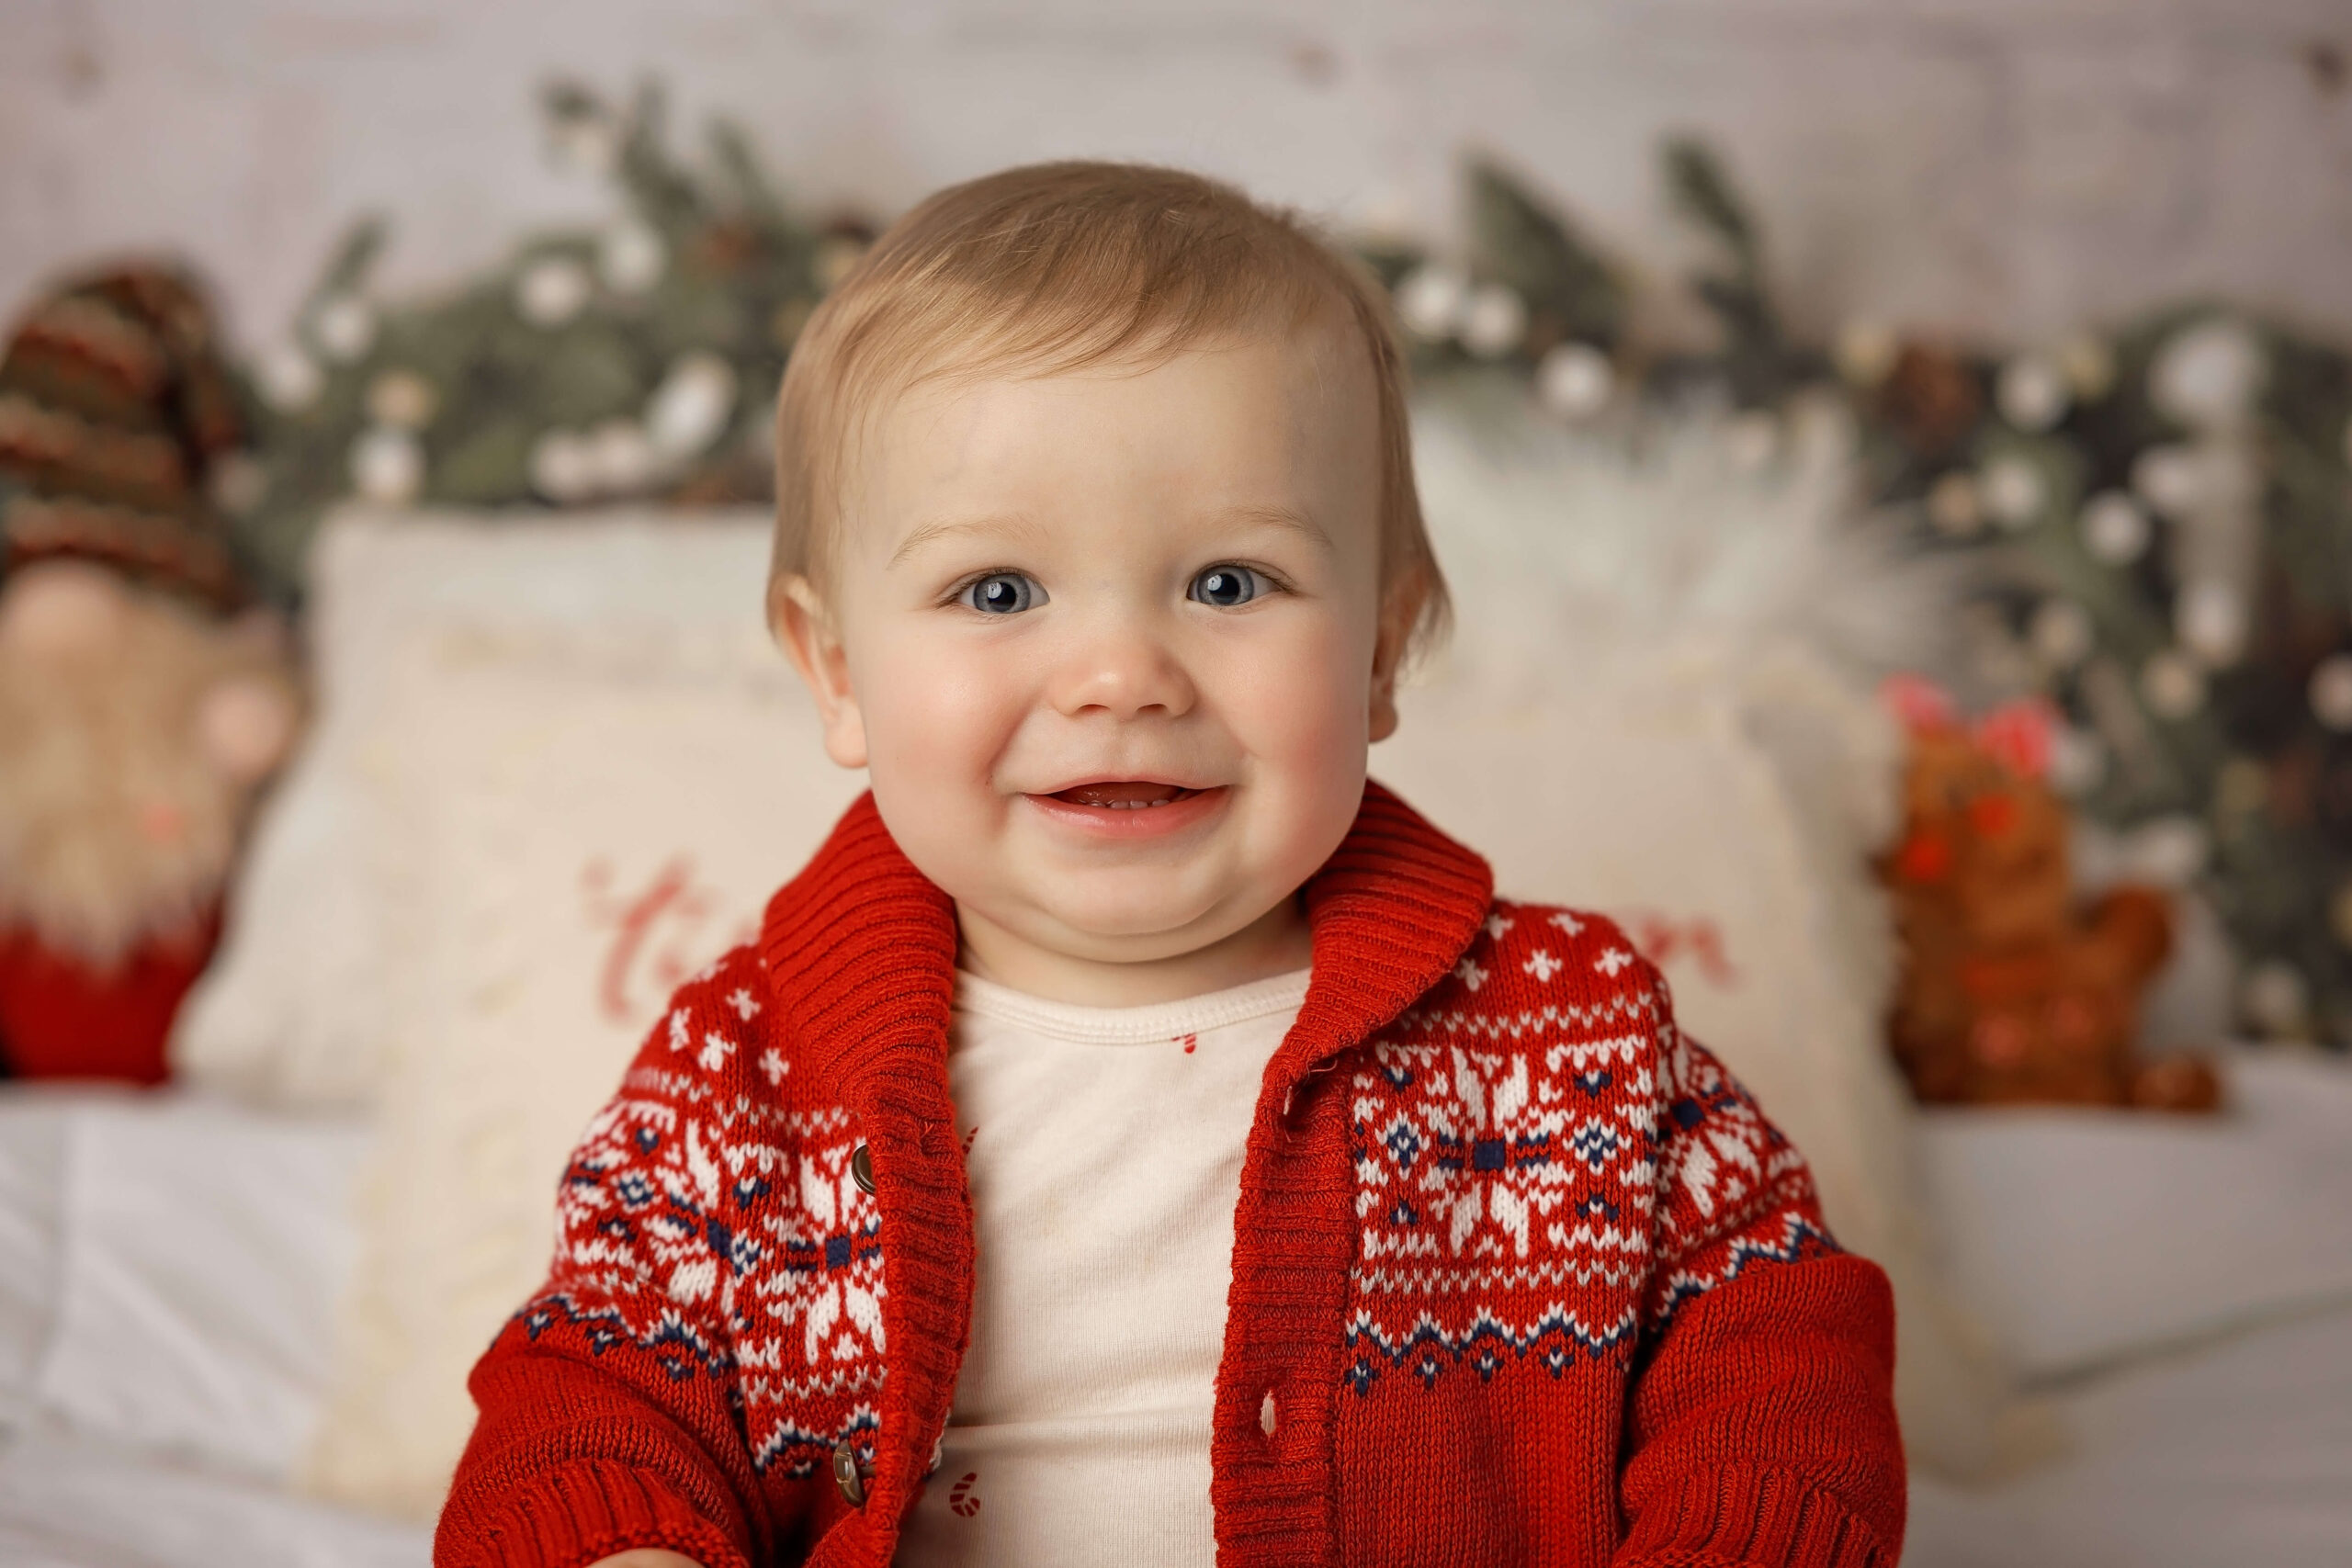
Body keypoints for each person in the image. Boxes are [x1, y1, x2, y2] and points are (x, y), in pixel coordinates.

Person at [436, 161, 1904, 1568]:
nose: (1122, 673)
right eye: (997, 589)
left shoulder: (1559, 1029)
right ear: (837, 672)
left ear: (1381, 656)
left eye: (1228, 583)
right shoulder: (751, 1071)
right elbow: (598, 1391)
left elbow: (1775, 1345)